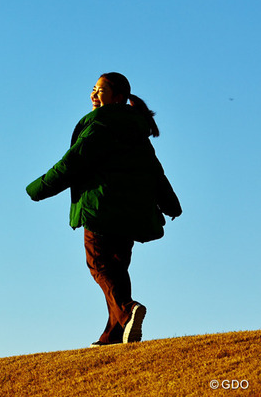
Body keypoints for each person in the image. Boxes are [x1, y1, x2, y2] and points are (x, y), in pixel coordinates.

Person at [26, 72, 182, 347]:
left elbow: (73, 162)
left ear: (118, 97)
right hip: (131, 214)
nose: (94, 94)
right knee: (117, 270)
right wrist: (170, 203)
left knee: (99, 265)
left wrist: (38, 189)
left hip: (100, 208)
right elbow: (155, 171)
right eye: (94, 89)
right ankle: (114, 333)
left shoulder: (101, 124)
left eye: (101, 90)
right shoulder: (137, 132)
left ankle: (128, 309)